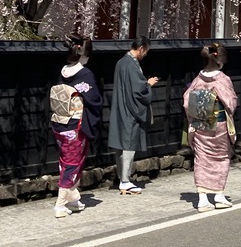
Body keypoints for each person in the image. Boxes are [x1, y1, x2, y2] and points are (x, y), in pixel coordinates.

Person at [49, 33, 102, 218]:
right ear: (84, 54)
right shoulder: (85, 74)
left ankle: (73, 198)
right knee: (72, 162)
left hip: (59, 123)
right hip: (75, 126)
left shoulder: (63, 71)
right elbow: (94, 101)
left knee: (65, 160)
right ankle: (60, 204)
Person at [183, 42, 238, 212]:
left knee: (201, 158)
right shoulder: (222, 79)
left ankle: (202, 199)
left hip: (200, 122)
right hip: (219, 123)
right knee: (221, 157)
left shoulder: (198, 79)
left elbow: (186, 100)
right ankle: (219, 196)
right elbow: (230, 101)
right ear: (220, 59)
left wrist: (196, 113)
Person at [108, 36, 159, 195]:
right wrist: (149, 84)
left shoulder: (120, 62)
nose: (145, 55)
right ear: (142, 48)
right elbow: (138, 91)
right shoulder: (131, 65)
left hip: (120, 107)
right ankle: (125, 181)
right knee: (129, 144)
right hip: (130, 111)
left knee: (121, 145)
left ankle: (122, 178)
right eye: (146, 52)